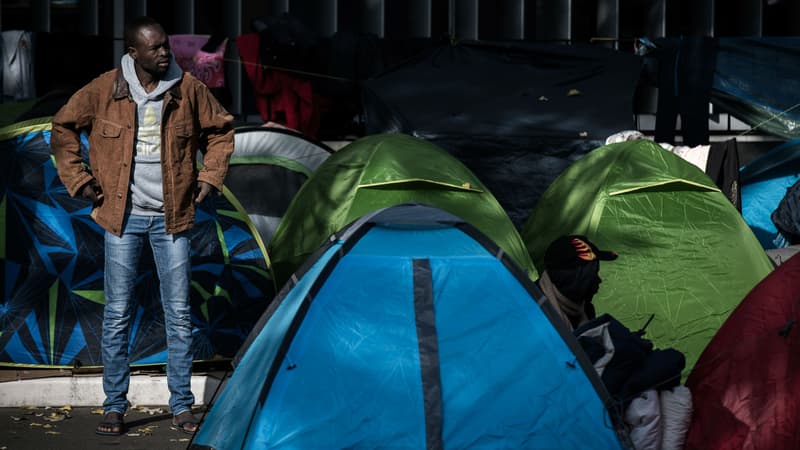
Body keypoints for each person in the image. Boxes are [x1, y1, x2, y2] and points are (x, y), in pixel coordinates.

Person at [51, 16, 234, 436]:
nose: (165, 53)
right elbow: (62, 126)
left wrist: (209, 177)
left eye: (166, 45)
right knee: (117, 314)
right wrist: (79, 181)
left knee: (179, 314)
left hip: (173, 219)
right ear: (134, 53)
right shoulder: (104, 89)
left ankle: (182, 406)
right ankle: (114, 407)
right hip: (123, 219)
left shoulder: (188, 89)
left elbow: (221, 131)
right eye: (155, 48)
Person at [537, 235, 617, 331]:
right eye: (593, 275)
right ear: (576, 282)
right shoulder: (537, 313)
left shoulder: (585, 310)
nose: (599, 280)